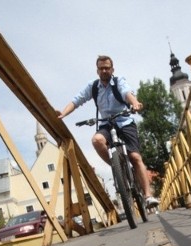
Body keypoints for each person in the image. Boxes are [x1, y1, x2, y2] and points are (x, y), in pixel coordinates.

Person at [58, 55, 159, 208]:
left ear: (112, 69)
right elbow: (77, 100)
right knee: (96, 140)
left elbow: (127, 93)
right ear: (97, 70)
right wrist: (63, 114)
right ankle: (117, 167)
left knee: (135, 157)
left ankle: (148, 196)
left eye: (107, 68)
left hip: (124, 121)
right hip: (107, 123)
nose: (104, 71)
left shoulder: (119, 81)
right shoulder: (92, 87)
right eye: (101, 68)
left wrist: (135, 103)